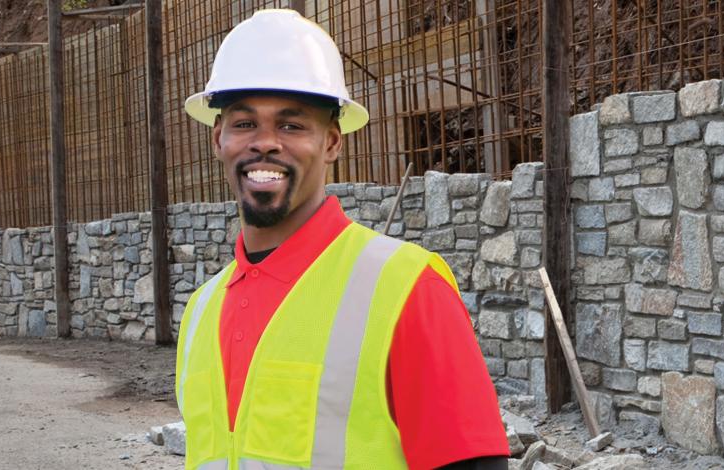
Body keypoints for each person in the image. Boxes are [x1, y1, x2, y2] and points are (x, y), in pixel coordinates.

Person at [175, 9, 509, 470]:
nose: (265, 143)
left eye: (292, 125)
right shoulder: (200, 312)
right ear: (219, 139)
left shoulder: (406, 288)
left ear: (332, 142)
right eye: (245, 123)